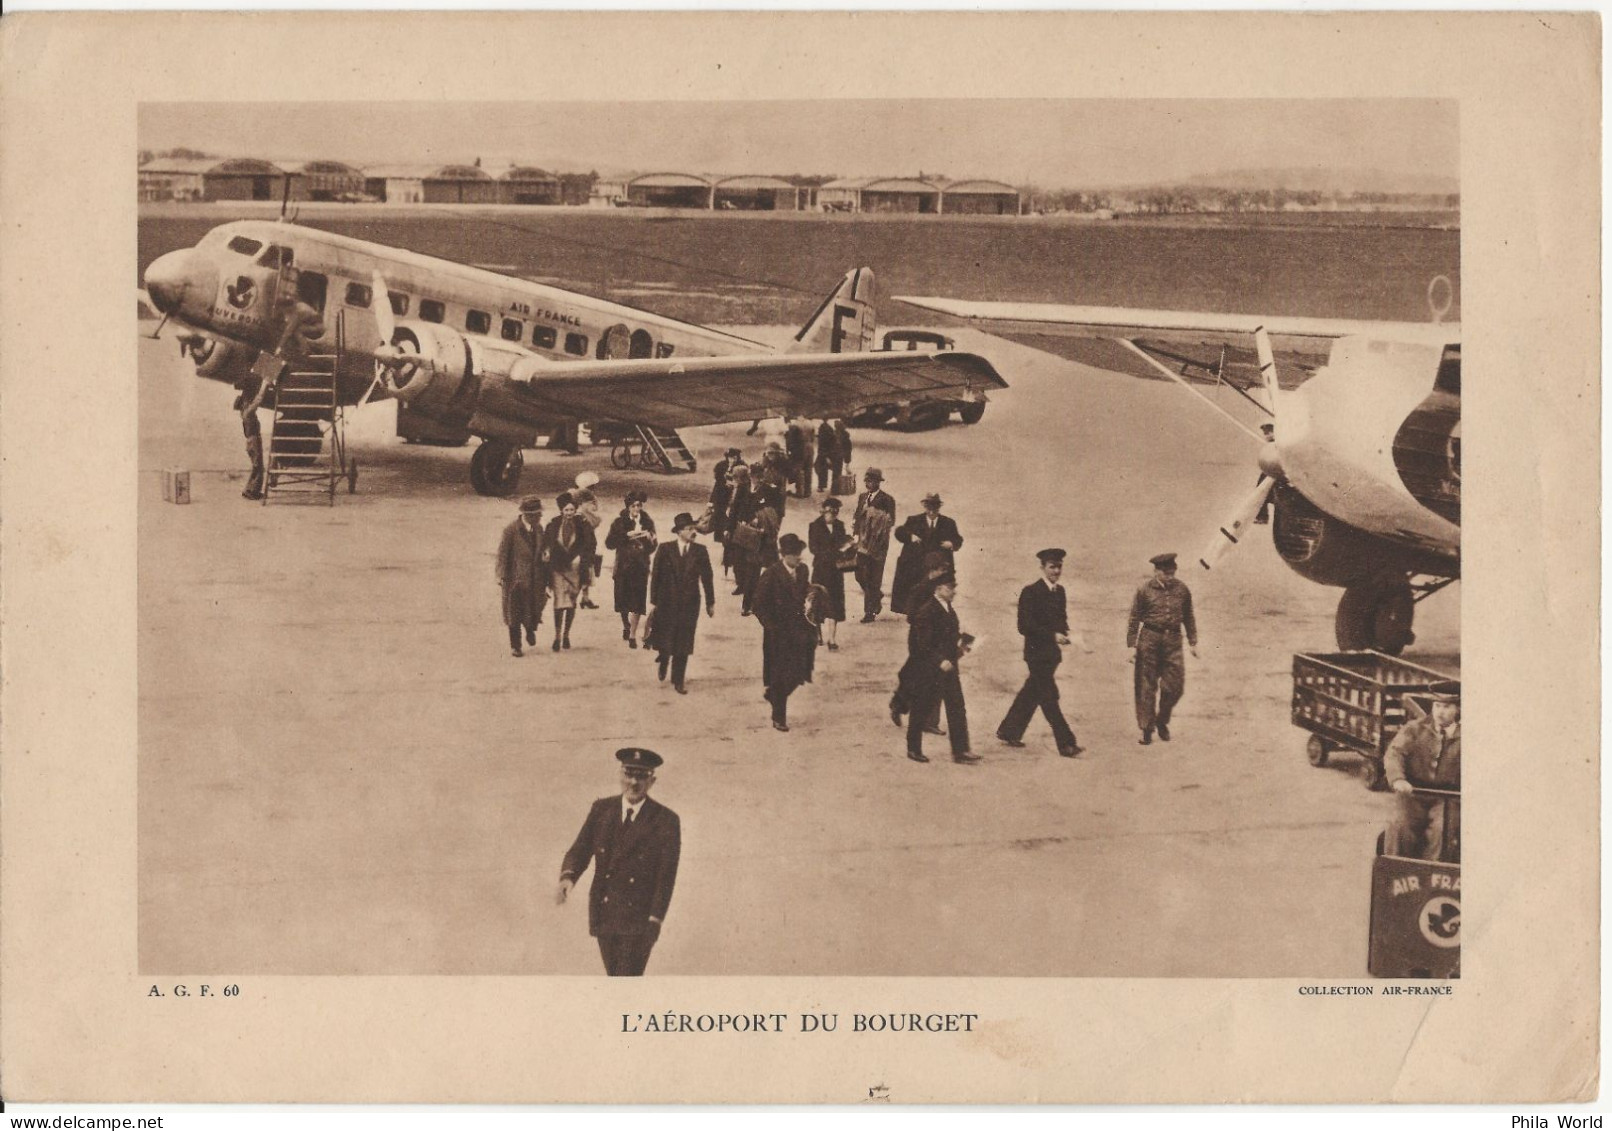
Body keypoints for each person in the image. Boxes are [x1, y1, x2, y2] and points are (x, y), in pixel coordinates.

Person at [556, 748, 681, 977]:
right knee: (614, 977)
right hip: (604, 912)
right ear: (620, 774)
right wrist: (567, 877)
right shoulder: (602, 809)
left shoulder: (665, 820)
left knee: (626, 981)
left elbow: (666, 877)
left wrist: (655, 920)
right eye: (629, 773)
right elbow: (580, 849)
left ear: (652, 781)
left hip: (639, 921)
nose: (633, 782)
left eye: (641, 776)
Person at [996, 548, 1083, 757]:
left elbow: (1062, 619)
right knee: (1049, 698)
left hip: (1052, 656)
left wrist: (1067, 633)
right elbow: (1024, 626)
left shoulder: (1060, 592)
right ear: (1042, 567)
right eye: (1052, 567)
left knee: (1032, 691)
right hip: (1036, 654)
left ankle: (1009, 730)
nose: (1056, 571)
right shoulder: (1030, 592)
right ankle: (1066, 743)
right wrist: (1053, 635)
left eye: (1059, 566)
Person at [894, 573, 977, 764]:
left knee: (957, 707)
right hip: (931, 670)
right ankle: (913, 749)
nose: (954, 592)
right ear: (938, 589)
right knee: (922, 708)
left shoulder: (948, 609)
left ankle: (961, 751)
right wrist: (940, 661)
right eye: (950, 588)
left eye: (954, 587)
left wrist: (964, 643)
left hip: (949, 667)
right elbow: (923, 645)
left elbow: (951, 636)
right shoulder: (927, 611)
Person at [1126, 552, 1198, 745]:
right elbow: (1134, 619)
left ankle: (1162, 720)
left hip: (1173, 641)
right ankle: (1146, 729)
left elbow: (1188, 616)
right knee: (1146, 686)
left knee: (1176, 686)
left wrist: (1193, 641)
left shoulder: (1182, 589)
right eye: (1166, 573)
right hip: (1149, 639)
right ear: (1156, 571)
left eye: (1172, 572)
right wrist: (1132, 645)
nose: (1170, 576)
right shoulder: (1144, 590)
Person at [1383, 683, 1461, 861]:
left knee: (1443, 831)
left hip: (1447, 798)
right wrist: (1398, 779)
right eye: (1437, 706)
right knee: (1399, 826)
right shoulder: (1414, 728)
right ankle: (1395, 871)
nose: (1440, 712)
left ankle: (1431, 878)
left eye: (1447, 707)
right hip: (1412, 793)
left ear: (1457, 709)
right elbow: (1394, 754)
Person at [753, 533, 818, 732]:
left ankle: (773, 694)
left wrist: (811, 595)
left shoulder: (803, 570)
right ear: (785, 555)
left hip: (800, 632)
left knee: (799, 673)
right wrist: (771, 626)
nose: (799, 557)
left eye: (800, 553)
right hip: (778, 635)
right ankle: (778, 717)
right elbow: (758, 605)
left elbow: (805, 590)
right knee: (780, 675)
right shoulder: (771, 574)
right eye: (795, 554)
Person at [645, 512, 716, 694]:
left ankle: (678, 679)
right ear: (679, 532)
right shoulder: (665, 549)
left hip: (690, 603)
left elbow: (707, 578)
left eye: (694, 528)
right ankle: (663, 658)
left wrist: (710, 602)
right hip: (666, 601)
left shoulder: (700, 551)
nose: (693, 532)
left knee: (684, 640)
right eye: (689, 529)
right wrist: (654, 600)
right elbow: (656, 576)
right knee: (667, 637)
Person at [889, 493, 964, 617]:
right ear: (924, 506)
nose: (931, 510)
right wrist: (910, 537)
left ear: (939, 508)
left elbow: (958, 540)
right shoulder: (914, 520)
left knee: (940, 590)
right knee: (919, 590)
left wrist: (951, 543)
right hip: (918, 564)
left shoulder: (948, 523)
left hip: (939, 565)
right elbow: (899, 532)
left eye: (934, 507)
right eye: (928, 506)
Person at [543, 492, 597, 652]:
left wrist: (582, 558)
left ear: (575, 510)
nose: (569, 513)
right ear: (561, 510)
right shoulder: (553, 525)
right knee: (559, 603)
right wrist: (546, 552)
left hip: (575, 568)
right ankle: (557, 636)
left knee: (571, 603)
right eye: (566, 510)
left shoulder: (583, 525)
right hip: (558, 568)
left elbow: (591, 544)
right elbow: (547, 543)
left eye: (572, 510)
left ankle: (566, 634)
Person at [495, 496, 549, 657]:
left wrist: (546, 554)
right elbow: (502, 554)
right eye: (537, 514)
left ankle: (530, 628)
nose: (540, 517)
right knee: (514, 613)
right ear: (528, 514)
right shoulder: (511, 530)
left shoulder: (539, 528)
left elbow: (544, 547)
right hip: (515, 579)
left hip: (535, 577)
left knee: (534, 608)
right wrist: (500, 574)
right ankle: (516, 646)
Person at [605, 490, 657, 648]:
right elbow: (609, 544)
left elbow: (653, 546)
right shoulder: (619, 522)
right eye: (633, 506)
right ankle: (626, 624)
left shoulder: (647, 522)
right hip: (623, 566)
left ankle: (633, 634)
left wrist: (649, 539)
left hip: (640, 566)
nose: (636, 509)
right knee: (623, 600)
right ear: (628, 507)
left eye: (639, 505)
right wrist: (626, 535)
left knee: (638, 601)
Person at [852, 468, 896, 623]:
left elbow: (891, 520)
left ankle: (869, 612)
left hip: (878, 544)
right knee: (859, 574)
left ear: (878, 482)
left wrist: (873, 514)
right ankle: (876, 596)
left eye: (871, 481)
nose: (868, 484)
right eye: (866, 481)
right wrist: (855, 533)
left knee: (873, 576)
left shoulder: (887, 499)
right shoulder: (862, 497)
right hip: (862, 542)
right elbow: (857, 516)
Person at [806, 496, 849, 651]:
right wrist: (832, 553)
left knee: (835, 604)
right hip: (821, 570)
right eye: (830, 512)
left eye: (835, 513)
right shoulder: (814, 526)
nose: (832, 516)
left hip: (836, 571)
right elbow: (813, 548)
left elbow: (843, 542)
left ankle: (832, 638)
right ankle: (818, 635)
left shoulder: (840, 526)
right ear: (824, 511)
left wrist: (848, 546)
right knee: (817, 603)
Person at [737, 485, 781, 617]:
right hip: (770, 548)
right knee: (774, 575)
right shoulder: (773, 512)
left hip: (756, 547)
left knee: (752, 576)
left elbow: (748, 527)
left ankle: (747, 605)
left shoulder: (757, 513)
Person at [234, 373, 271, 501]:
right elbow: (258, 400)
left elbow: (249, 399)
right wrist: (264, 385)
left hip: (251, 441)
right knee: (258, 467)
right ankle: (252, 491)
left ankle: (249, 490)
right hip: (254, 441)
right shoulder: (248, 413)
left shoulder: (244, 413)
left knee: (256, 467)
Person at [572, 473, 605, 609]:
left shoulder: (577, 502)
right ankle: (576, 598)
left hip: (586, 539)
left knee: (587, 567)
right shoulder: (586, 504)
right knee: (585, 567)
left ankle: (584, 597)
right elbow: (596, 519)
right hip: (584, 540)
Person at [710, 447, 742, 544]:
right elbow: (717, 483)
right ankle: (718, 536)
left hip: (733, 495)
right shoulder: (721, 466)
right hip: (721, 495)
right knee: (718, 515)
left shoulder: (741, 467)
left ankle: (729, 536)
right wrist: (711, 500)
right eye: (730, 457)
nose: (731, 460)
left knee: (731, 516)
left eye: (734, 458)